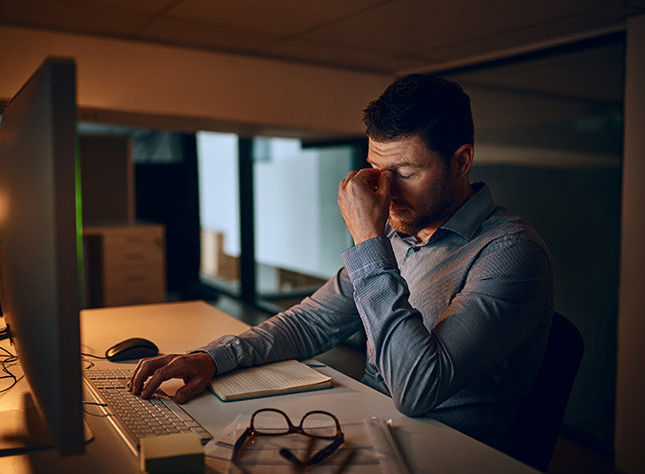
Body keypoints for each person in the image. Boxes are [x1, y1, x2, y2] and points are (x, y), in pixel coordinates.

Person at [128, 74, 554, 451]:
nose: (386, 192)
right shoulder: (397, 237)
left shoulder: (511, 254)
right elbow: (311, 322)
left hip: (444, 455)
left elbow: (417, 389)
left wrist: (368, 239)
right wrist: (213, 358)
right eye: (375, 169)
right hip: (369, 429)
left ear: (461, 161)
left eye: (404, 172)